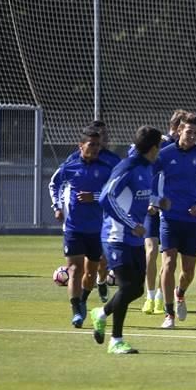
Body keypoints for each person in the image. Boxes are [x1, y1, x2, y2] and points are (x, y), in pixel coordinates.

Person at [90, 126, 162, 354]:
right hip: (116, 237)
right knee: (128, 286)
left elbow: (137, 195)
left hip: (134, 240)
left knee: (137, 290)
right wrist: (132, 224)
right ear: (153, 148)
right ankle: (116, 340)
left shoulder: (147, 168)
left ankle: (100, 313)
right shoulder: (127, 166)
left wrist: (157, 202)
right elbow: (106, 197)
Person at [48, 126, 115, 328]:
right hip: (73, 228)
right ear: (81, 146)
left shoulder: (105, 168)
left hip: (97, 228)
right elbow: (54, 184)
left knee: (91, 273)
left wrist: (92, 197)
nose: (95, 149)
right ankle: (76, 310)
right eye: (91, 145)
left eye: (98, 145)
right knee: (75, 270)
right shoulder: (69, 166)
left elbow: (111, 193)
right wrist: (57, 207)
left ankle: (84, 298)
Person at [152, 112, 196, 328]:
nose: (192, 136)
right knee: (168, 263)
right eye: (189, 132)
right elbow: (148, 177)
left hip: (192, 219)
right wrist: (156, 200)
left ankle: (180, 293)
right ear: (179, 130)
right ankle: (169, 314)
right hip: (169, 218)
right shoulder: (165, 154)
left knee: (188, 272)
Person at [142, 109, 187, 315]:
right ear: (176, 128)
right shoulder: (158, 147)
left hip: (172, 210)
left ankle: (161, 297)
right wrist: (151, 201)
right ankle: (150, 297)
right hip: (154, 208)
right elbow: (148, 174)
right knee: (151, 252)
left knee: (169, 257)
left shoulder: (185, 150)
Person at [88, 120, 122, 303]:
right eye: (100, 135)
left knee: (102, 258)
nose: (104, 139)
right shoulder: (76, 158)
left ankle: (101, 280)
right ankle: (80, 300)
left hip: (106, 215)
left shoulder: (113, 160)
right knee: (84, 262)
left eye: (105, 136)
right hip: (83, 217)